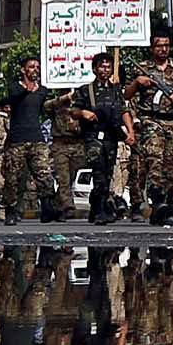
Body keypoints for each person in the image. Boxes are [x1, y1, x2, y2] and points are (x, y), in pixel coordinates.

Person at [129, 27, 173, 224]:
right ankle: (156, 202)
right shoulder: (142, 68)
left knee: (169, 165)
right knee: (153, 160)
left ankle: (163, 204)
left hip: (172, 121)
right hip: (150, 120)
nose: (163, 49)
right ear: (151, 48)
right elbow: (126, 95)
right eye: (159, 46)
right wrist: (137, 83)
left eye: (166, 46)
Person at [2, 56, 66, 222]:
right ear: (23, 70)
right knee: (13, 179)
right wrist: (27, 89)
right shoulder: (15, 88)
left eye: (37, 67)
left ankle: (47, 208)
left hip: (37, 139)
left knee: (44, 175)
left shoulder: (42, 91)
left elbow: (48, 107)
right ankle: (11, 211)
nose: (35, 70)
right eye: (31, 67)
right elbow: (13, 98)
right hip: (17, 140)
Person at [69, 51, 129, 221]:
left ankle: (96, 205)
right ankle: (101, 210)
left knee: (108, 173)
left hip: (111, 135)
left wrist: (129, 132)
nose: (105, 69)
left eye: (108, 66)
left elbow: (123, 111)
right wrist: (83, 112)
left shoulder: (116, 90)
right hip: (93, 136)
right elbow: (72, 111)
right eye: (102, 66)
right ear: (95, 69)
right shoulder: (85, 90)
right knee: (98, 172)